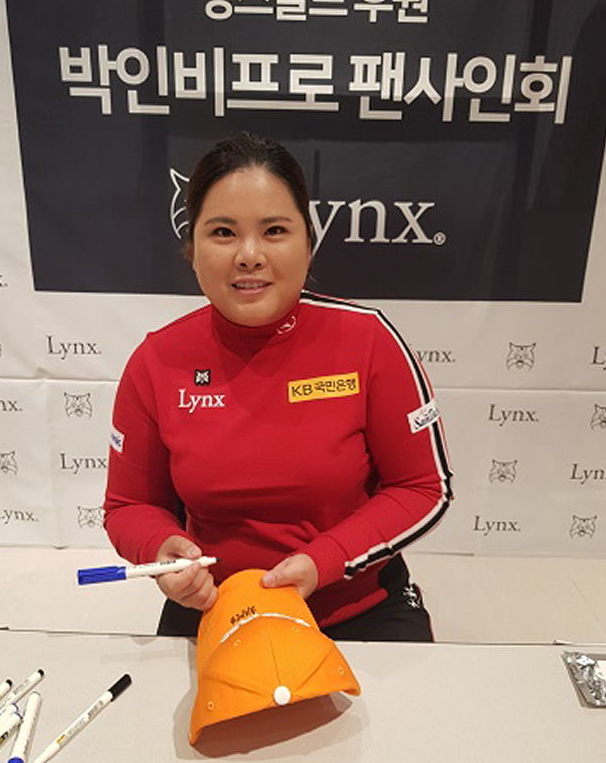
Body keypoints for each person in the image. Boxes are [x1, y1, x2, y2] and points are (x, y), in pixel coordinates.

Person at [104, 132, 453, 641]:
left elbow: (423, 487)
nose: (249, 255)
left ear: (308, 244)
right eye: (223, 232)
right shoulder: (156, 361)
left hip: (357, 607)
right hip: (216, 609)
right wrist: (160, 548)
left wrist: (326, 560)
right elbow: (129, 506)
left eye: (274, 231)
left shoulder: (370, 340)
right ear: (192, 249)